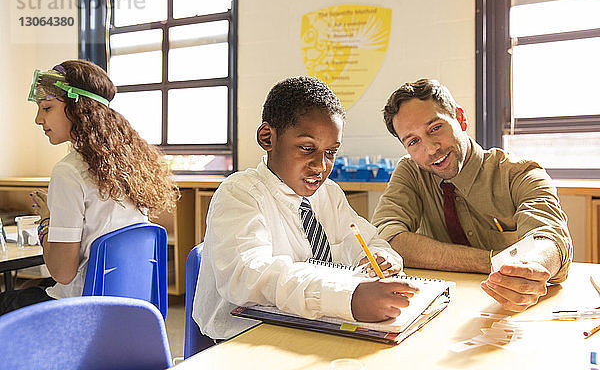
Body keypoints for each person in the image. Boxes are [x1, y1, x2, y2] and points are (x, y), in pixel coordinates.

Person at [193, 76, 418, 340]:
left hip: (314, 328)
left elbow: (368, 241)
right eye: (307, 148)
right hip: (246, 338)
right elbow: (250, 276)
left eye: (331, 152)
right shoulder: (240, 194)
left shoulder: (328, 194)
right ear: (268, 138)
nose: (321, 166)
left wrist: (383, 258)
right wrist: (347, 298)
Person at [372, 78, 572, 312]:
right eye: (413, 141)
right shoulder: (411, 171)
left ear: (460, 118)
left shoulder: (519, 173)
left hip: (512, 310)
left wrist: (531, 268)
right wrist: (492, 260)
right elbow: (386, 238)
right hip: (439, 307)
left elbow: (550, 239)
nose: (431, 149)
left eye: (435, 128)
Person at [0, 60, 178, 315]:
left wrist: (47, 222)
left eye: (47, 108)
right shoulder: (128, 164)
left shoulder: (68, 171)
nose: (39, 119)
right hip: (129, 309)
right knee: (31, 286)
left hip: (81, 312)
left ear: (77, 107)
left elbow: (62, 273)